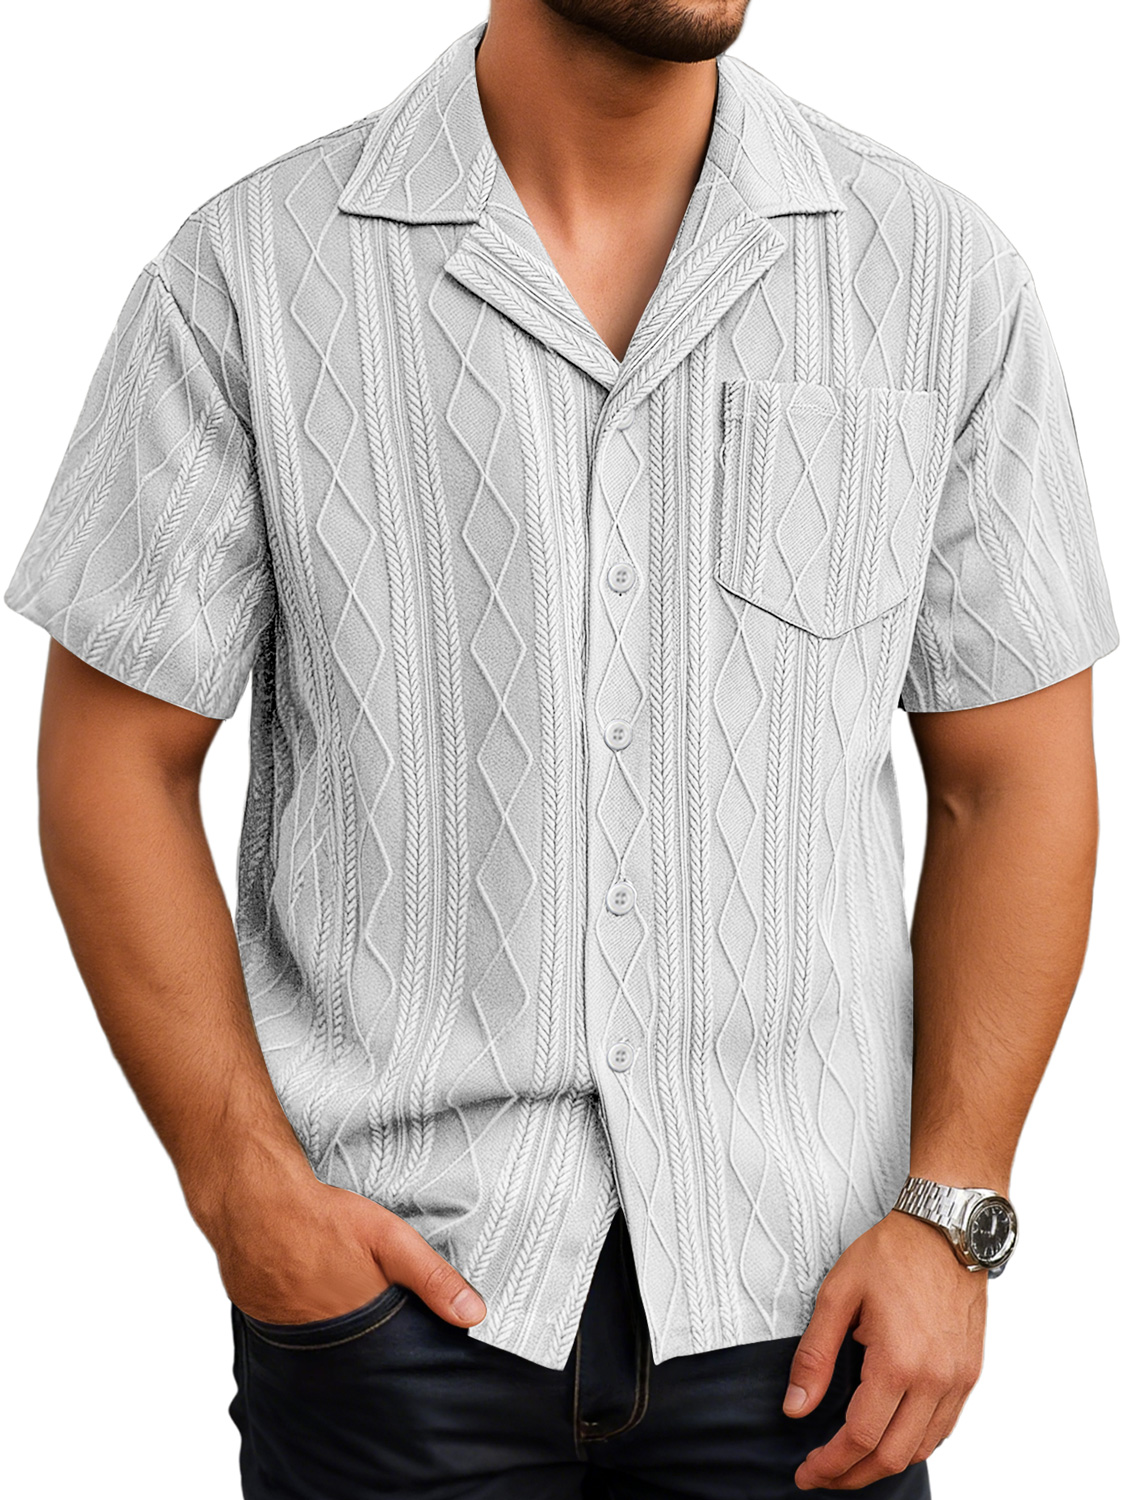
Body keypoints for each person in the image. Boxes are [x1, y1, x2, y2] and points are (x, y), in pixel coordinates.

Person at [6, 3, 1118, 1496]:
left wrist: (952, 1215)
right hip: (392, 1311)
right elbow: (114, 758)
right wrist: (244, 1194)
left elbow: (1009, 779)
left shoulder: (936, 275)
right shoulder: (246, 278)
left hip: (812, 1321)